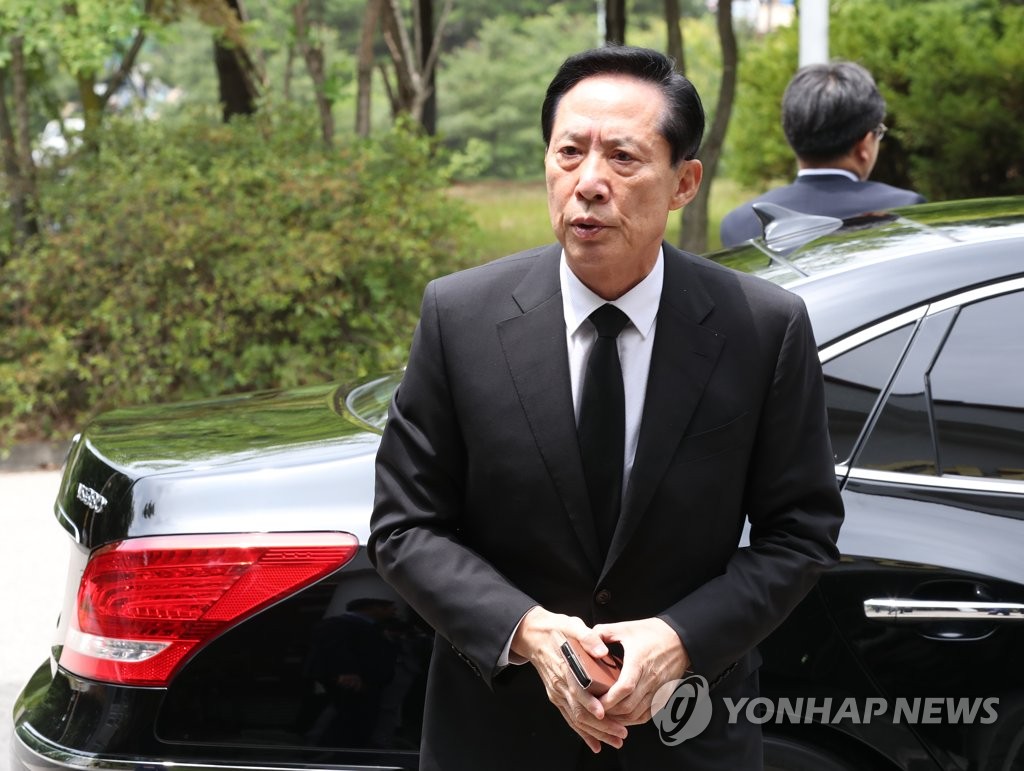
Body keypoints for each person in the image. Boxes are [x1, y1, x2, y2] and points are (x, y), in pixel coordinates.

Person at [370, 45, 843, 770]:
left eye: (623, 157)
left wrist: (682, 637)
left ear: (684, 182)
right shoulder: (460, 316)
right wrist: (527, 630)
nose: (589, 182)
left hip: (686, 737)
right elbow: (405, 526)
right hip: (499, 738)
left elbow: (801, 533)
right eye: (570, 153)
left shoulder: (761, 328)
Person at [719, 60, 925, 247]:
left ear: (790, 135)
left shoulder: (739, 224)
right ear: (864, 145)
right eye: (878, 132)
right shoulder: (903, 210)